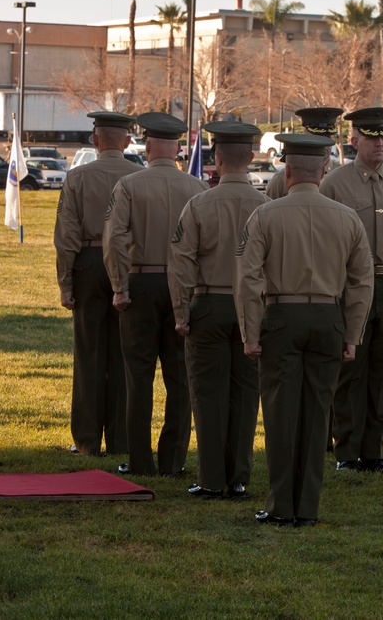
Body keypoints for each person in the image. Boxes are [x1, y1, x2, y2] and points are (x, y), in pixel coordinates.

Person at [236, 133, 374, 527]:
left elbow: (248, 278)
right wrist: (352, 335)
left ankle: (282, 505)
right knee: (318, 415)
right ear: (325, 169)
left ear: (288, 169)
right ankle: (307, 506)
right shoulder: (347, 218)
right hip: (329, 319)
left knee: (281, 413)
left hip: (281, 316)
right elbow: (363, 281)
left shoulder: (265, 214)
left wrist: (250, 332)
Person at [103, 112, 208, 477]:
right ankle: (173, 460)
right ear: (178, 147)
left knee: (139, 375)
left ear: (147, 146)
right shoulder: (196, 188)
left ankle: (140, 460)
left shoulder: (130, 185)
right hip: (185, 287)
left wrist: (119, 286)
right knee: (180, 378)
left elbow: (114, 239)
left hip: (142, 283)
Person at [168, 121, 269, 499]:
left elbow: (181, 263)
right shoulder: (266, 206)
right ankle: (238, 476)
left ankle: (211, 478)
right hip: (253, 309)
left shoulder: (199, 204)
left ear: (217, 157)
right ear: (253, 157)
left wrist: (182, 313)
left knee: (208, 394)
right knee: (245, 396)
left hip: (209, 303)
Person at [319, 107, 383, 474]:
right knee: (350, 371)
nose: (378, 143)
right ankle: (346, 451)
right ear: (354, 140)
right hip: (352, 284)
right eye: (371, 137)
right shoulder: (336, 183)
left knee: (382, 370)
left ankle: (374, 451)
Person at [54, 111, 141, 456]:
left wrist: (65, 281)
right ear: (128, 142)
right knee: (123, 353)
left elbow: (67, 235)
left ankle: (87, 440)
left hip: (89, 263)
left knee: (89, 353)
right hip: (129, 265)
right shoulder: (140, 177)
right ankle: (120, 439)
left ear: (94, 140)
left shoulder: (77, 177)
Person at [266, 107, 344, 200]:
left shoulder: (344, 177)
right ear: (304, 136)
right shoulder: (281, 180)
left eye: (328, 138)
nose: (323, 145)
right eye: (317, 139)